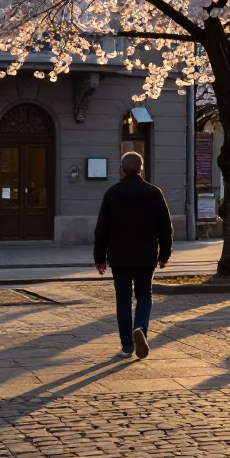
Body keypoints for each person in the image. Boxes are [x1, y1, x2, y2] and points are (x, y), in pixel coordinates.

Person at [94, 152, 173, 360]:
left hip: (119, 257)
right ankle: (140, 329)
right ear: (141, 169)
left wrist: (99, 258)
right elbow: (165, 228)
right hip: (146, 255)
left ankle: (127, 347)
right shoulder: (154, 193)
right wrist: (165, 254)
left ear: (122, 169)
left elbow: (102, 229)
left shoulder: (112, 193)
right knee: (144, 294)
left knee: (123, 299)